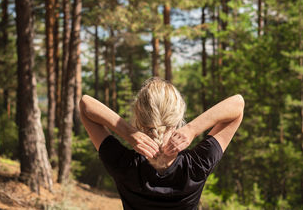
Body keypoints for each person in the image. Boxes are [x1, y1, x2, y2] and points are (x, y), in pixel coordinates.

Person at [79, 77, 245, 210]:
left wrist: (128, 133)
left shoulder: (123, 164)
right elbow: (237, 104)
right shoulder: (196, 166)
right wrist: (192, 129)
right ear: (177, 119)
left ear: (139, 120)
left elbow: (86, 104)